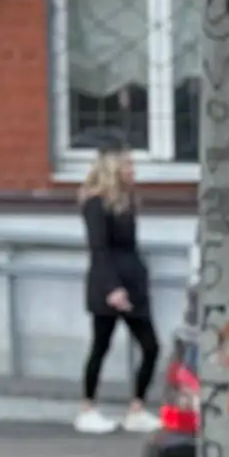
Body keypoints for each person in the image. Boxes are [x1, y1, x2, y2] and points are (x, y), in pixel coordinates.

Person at [76, 147, 159, 434]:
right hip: (108, 286)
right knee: (101, 346)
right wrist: (112, 288)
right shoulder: (95, 204)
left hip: (133, 283)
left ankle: (136, 408)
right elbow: (99, 250)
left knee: (150, 346)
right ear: (113, 169)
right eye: (129, 166)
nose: (133, 171)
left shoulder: (126, 202)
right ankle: (87, 408)